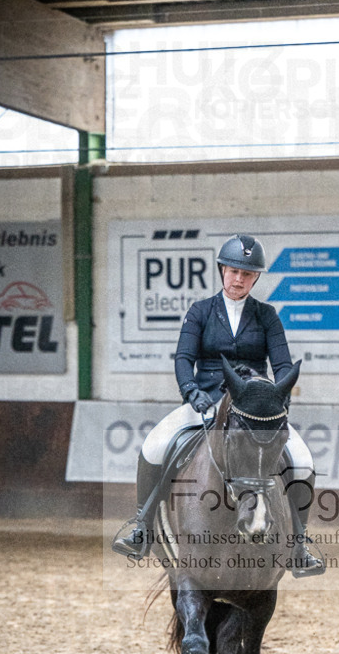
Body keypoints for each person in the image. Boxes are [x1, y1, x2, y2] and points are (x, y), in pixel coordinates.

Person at [112, 233, 325, 577]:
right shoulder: (200, 311)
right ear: (222, 270)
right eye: (234, 271)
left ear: (255, 278)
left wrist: (277, 396)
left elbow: (283, 365)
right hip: (206, 399)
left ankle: (299, 544)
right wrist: (190, 390)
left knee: (302, 460)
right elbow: (184, 358)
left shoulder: (267, 315)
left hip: (253, 407)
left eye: (247, 274)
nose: (239, 279)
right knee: (154, 445)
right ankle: (142, 526)